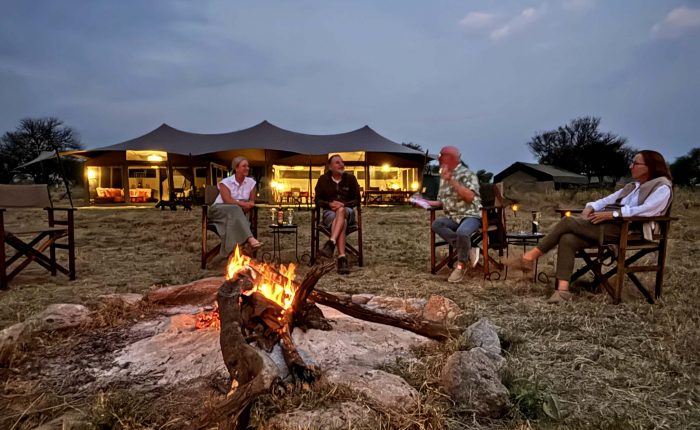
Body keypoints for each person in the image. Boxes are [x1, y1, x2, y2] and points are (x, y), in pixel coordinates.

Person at [504, 150, 673, 303]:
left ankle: (528, 258)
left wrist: (612, 214)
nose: (631, 166)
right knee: (568, 238)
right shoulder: (632, 187)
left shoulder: (662, 187)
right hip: (606, 225)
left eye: (635, 163)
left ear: (650, 166)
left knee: (567, 222)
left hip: (627, 229)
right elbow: (604, 201)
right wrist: (590, 207)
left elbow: (646, 210)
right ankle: (562, 291)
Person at [425, 146, 483, 283]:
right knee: (437, 224)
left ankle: (461, 265)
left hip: (471, 216)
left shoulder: (467, 175)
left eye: (441, 156)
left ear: (451, 158)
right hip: (455, 218)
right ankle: (468, 248)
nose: (439, 159)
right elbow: (442, 202)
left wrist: (451, 180)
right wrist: (426, 202)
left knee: (462, 232)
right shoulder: (444, 178)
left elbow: (469, 197)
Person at [315, 154, 361, 275]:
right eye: (337, 162)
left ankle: (331, 242)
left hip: (348, 211)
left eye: (342, 162)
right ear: (330, 166)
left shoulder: (351, 179)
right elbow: (317, 200)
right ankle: (342, 258)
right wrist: (329, 204)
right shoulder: (323, 180)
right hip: (330, 213)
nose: (341, 165)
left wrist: (343, 204)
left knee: (342, 212)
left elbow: (357, 199)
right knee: (342, 223)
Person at [209, 156, 263, 258]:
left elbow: (251, 202)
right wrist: (243, 204)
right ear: (236, 168)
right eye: (244, 166)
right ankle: (250, 238)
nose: (247, 168)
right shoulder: (225, 182)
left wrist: (246, 205)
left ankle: (231, 254)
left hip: (237, 213)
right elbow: (227, 201)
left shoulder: (251, 183)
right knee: (235, 208)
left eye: (248, 166)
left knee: (235, 212)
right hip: (218, 210)